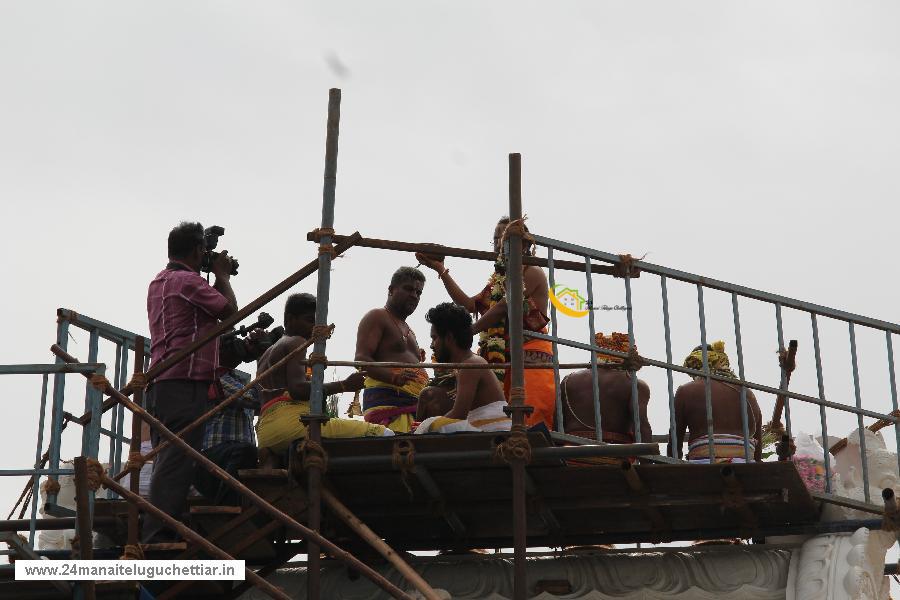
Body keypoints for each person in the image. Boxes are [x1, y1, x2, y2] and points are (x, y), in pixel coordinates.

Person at [144, 221, 237, 543]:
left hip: (163, 381)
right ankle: (158, 533)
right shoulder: (187, 281)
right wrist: (222, 275)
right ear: (198, 250)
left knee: (171, 457)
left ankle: (169, 525)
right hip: (184, 382)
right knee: (177, 457)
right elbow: (230, 313)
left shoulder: (161, 281)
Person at [416, 217, 555, 430]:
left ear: (524, 244)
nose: (499, 243)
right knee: (504, 421)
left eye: (504, 238)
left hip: (530, 357)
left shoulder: (532, 272)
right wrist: (441, 270)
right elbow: (471, 305)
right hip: (501, 361)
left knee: (529, 422)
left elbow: (503, 307)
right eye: (495, 238)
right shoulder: (498, 280)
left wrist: (465, 333)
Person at [256, 293, 391, 453]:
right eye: (309, 321)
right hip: (293, 425)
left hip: (265, 432)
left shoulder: (267, 353)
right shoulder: (296, 342)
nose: (315, 328)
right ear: (290, 319)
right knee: (384, 434)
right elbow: (297, 389)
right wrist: (344, 385)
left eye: (318, 322)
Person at [193, 330, 268, 506]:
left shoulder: (237, 381)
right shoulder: (214, 377)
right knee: (246, 451)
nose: (236, 348)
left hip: (230, 462)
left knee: (252, 453)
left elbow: (266, 402)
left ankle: (230, 508)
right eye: (228, 345)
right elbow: (258, 399)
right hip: (211, 461)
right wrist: (265, 357)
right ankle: (224, 511)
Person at [355, 267, 430, 433]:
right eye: (408, 289)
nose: (414, 296)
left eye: (419, 292)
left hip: (415, 408)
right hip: (391, 407)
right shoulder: (377, 316)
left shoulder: (410, 331)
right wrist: (394, 377)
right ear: (391, 290)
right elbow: (361, 360)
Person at [415, 303, 510, 434]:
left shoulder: (470, 365)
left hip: (496, 437)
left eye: (434, 338)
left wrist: (424, 427)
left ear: (449, 337)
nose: (432, 345)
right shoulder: (466, 365)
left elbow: (458, 415)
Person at [671, 341, 763, 463]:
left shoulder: (686, 390)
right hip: (745, 463)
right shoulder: (747, 393)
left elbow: (674, 443)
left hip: (704, 464)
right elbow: (758, 445)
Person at [560, 332, 651, 445]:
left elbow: (557, 426)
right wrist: (649, 461)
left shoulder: (567, 380)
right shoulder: (634, 384)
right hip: (615, 455)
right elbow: (641, 428)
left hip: (570, 453)